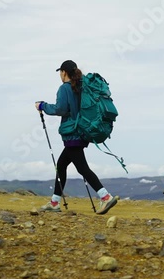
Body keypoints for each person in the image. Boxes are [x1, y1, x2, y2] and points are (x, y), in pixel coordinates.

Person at [35, 60, 118, 215]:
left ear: (64, 72)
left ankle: (105, 196)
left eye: (60, 72)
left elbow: (60, 109)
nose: (60, 75)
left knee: (82, 168)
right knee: (61, 165)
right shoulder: (81, 87)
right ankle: (54, 202)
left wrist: (43, 106)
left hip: (72, 133)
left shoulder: (64, 89)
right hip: (82, 131)